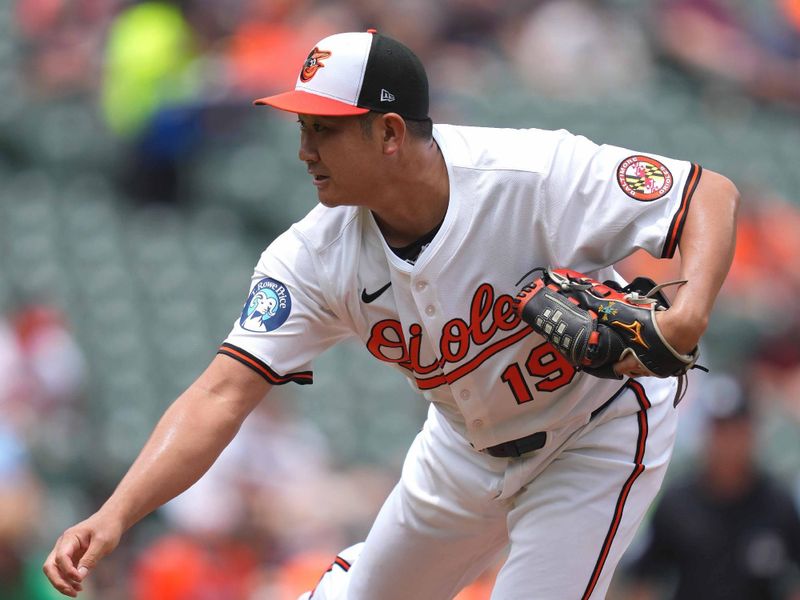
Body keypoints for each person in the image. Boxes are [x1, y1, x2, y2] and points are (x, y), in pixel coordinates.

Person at [43, 30, 740, 599]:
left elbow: (706, 193)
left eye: (324, 129)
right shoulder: (313, 256)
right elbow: (221, 393)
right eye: (302, 127)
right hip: (464, 448)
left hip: (596, 431)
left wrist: (686, 315)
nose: (303, 150)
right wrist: (117, 512)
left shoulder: (528, 175)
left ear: (389, 132)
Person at [624, 374, 800, 600]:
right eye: (720, 430)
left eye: (736, 430)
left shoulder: (777, 503)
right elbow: (644, 578)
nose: (727, 442)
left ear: (752, 434)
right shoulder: (678, 502)